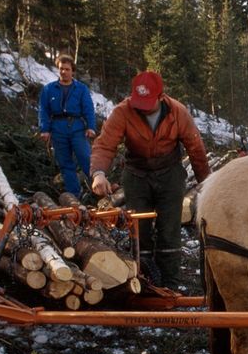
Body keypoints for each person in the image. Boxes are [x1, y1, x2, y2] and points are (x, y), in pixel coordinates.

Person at [90, 70, 211, 291]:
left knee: (169, 229)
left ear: (160, 96)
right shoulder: (122, 112)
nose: (142, 107)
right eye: (139, 102)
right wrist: (98, 172)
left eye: (148, 102)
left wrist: (206, 183)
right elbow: (105, 145)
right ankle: (144, 281)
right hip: (137, 173)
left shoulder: (177, 112)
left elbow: (196, 148)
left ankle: (171, 284)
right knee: (139, 229)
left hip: (169, 173)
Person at [38, 54, 97, 197]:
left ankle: (99, 189)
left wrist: (91, 127)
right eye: (61, 69)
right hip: (58, 128)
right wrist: (44, 129)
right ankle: (74, 194)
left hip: (77, 127)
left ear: (72, 71)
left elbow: (88, 108)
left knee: (86, 158)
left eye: (67, 69)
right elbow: (43, 110)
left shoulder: (81, 89)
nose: (64, 72)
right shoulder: (49, 89)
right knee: (65, 163)